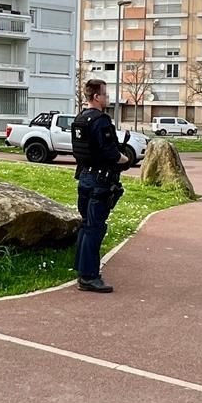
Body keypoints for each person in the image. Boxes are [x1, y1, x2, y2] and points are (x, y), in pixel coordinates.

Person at [68, 78, 130, 292]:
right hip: (100, 180)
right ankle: (89, 276)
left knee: (86, 225)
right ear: (96, 97)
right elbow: (109, 152)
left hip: (84, 176)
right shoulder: (101, 121)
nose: (108, 98)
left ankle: (82, 268)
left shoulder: (80, 119)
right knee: (95, 228)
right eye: (105, 94)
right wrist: (124, 159)